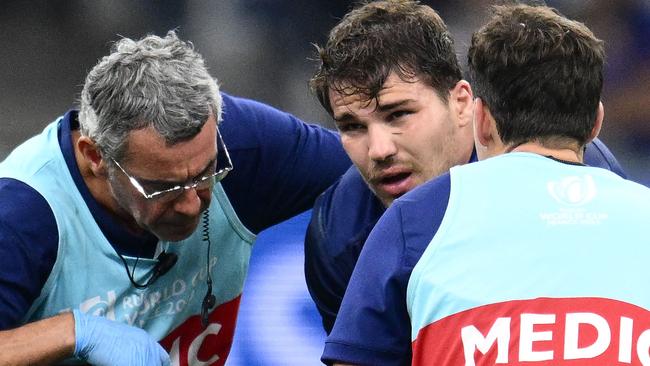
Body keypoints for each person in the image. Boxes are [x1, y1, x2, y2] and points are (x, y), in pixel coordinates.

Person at [322, 3, 650, 365]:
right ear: (594, 124)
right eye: (352, 126)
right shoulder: (341, 232)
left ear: (476, 115)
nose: (380, 149)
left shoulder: (408, 221)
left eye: (399, 114)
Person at [0, 31, 350, 365]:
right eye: (161, 187)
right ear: (95, 156)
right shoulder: (22, 213)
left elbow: (377, 172)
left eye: (206, 174)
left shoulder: (241, 144)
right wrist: (73, 332)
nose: (191, 205)